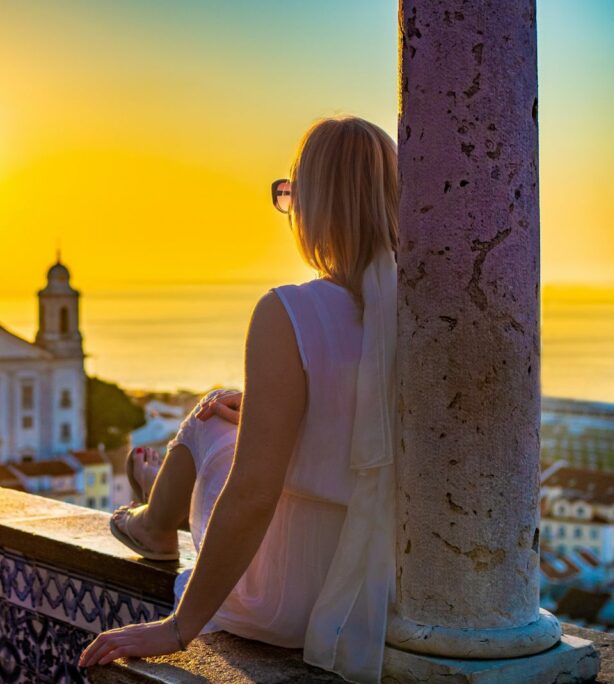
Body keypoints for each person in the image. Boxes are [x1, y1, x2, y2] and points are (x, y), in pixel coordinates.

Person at [79, 115, 400, 684]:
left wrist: (178, 628)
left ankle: (155, 520)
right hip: (377, 596)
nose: (290, 206)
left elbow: (254, 493)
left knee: (210, 413)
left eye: (291, 192)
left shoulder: (289, 311)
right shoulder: (422, 314)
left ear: (315, 203)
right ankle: (166, 499)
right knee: (234, 408)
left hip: (284, 599)